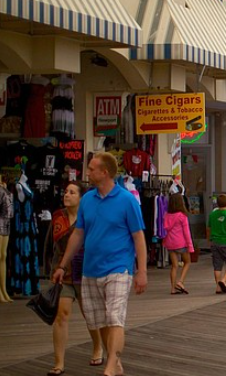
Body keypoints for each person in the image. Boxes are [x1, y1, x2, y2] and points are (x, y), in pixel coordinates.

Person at [51, 152, 147, 376]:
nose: (88, 172)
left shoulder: (127, 201)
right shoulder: (87, 200)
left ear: (105, 172)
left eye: (92, 168)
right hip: (91, 269)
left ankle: (111, 366)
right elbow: (78, 235)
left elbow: (138, 237)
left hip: (119, 268)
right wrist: (62, 266)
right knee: (99, 322)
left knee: (115, 318)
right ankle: (115, 359)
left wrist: (141, 271)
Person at [48, 182, 103, 375]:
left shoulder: (88, 217)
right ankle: (59, 362)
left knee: (90, 314)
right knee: (61, 315)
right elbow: (50, 245)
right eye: (65, 192)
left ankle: (97, 346)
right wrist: (54, 268)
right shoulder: (58, 216)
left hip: (86, 272)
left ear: (81, 197)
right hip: (63, 273)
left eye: (72, 192)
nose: (67, 195)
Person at [162, 193, 193, 295]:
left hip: (170, 243)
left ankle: (172, 288)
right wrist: (190, 246)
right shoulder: (182, 216)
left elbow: (165, 229)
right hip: (181, 243)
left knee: (174, 266)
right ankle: (180, 282)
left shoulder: (166, 215)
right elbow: (186, 232)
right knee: (187, 262)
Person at [207, 194, 226, 294]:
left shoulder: (212, 215)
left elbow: (208, 228)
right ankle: (223, 281)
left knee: (217, 265)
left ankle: (218, 287)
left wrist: (209, 240)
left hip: (215, 242)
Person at [0, 174, 13, 303]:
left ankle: (3, 289)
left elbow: (10, 211)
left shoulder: (5, 189)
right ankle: (0, 291)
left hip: (6, 223)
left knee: (3, 256)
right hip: (1, 222)